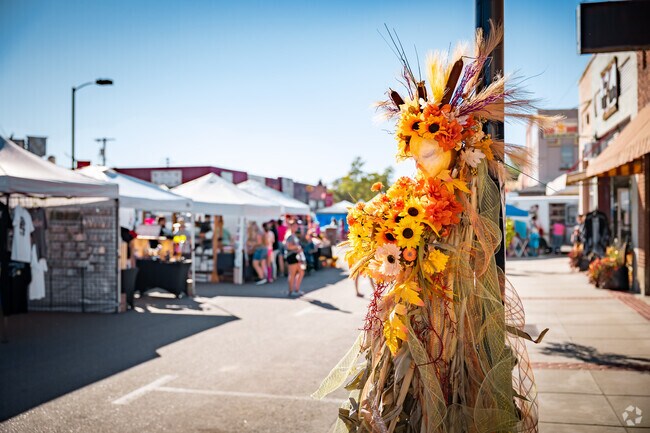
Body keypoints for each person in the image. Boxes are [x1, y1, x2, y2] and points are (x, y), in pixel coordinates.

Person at [284, 220, 305, 296]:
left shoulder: (293, 235)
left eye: (297, 226)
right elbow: (288, 246)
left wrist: (298, 248)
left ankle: (296, 289)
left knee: (301, 272)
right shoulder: (289, 235)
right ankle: (291, 291)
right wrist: (297, 247)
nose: (296, 227)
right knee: (292, 274)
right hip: (291, 256)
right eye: (294, 226)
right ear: (290, 226)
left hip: (295, 255)